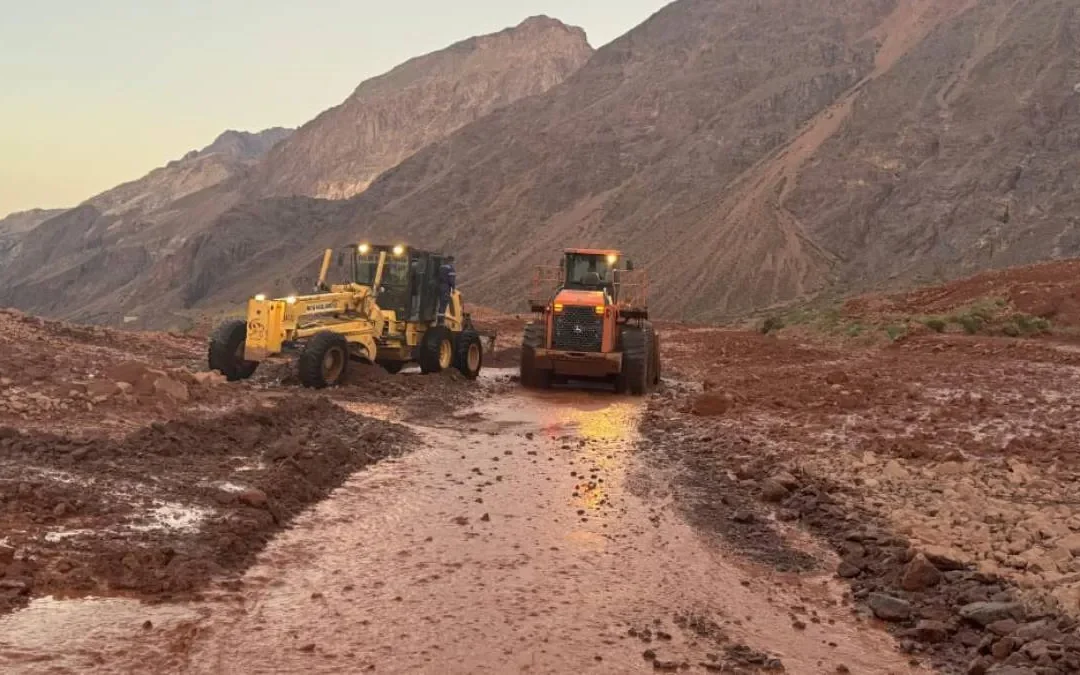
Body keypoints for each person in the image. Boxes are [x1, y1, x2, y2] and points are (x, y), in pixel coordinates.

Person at [438, 256, 457, 321]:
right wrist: (453, 288)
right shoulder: (450, 268)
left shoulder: (440, 267)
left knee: (439, 302)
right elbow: (451, 280)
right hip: (445, 287)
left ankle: (437, 316)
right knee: (444, 303)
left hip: (438, 286)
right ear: (451, 261)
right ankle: (440, 321)